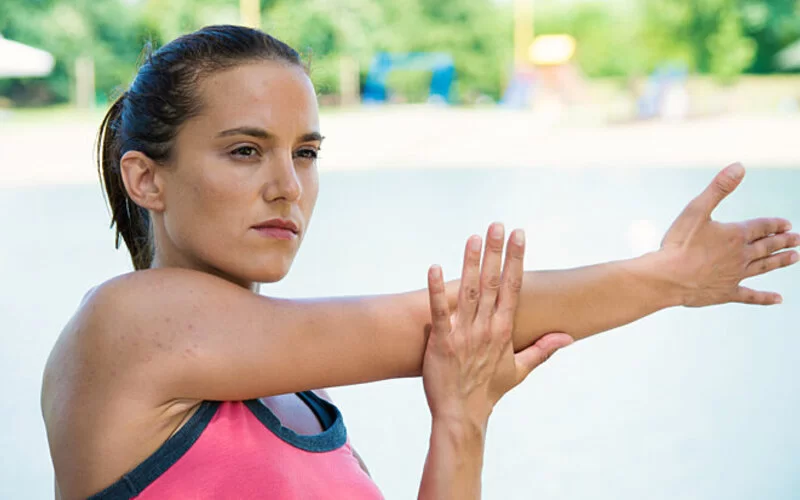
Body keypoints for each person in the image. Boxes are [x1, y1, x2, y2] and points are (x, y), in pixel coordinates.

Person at [40, 25, 799, 500]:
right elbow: (431, 322)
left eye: (305, 154)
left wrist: (462, 419)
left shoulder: (297, 398)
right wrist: (663, 278)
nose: (287, 186)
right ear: (148, 178)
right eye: (245, 151)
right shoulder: (127, 325)